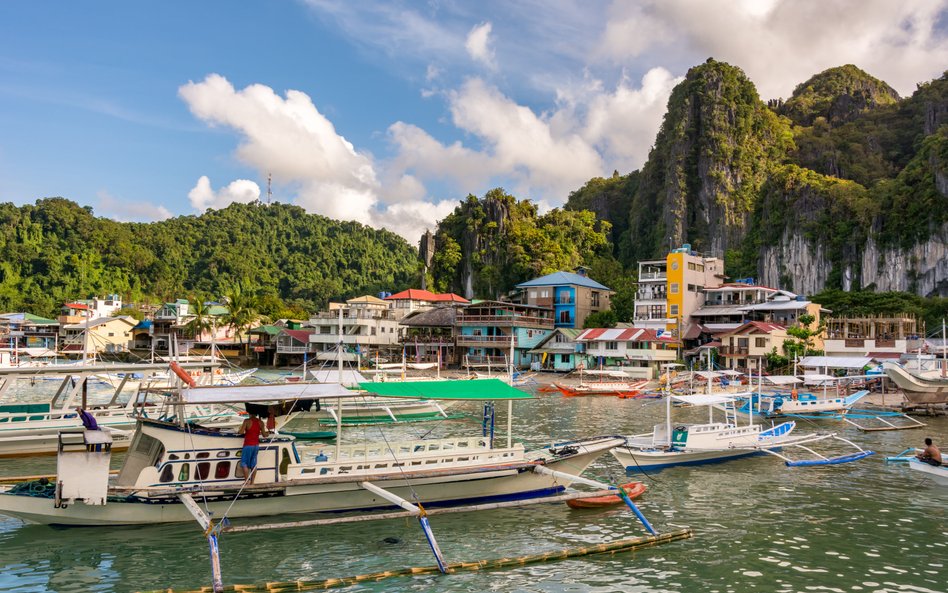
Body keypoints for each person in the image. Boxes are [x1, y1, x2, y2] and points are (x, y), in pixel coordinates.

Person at [236, 411, 269, 483]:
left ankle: (246, 481)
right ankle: (252, 482)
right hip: (256, 445)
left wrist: (239, 430)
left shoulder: (247, 421)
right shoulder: (261, 422)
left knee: (244, 463)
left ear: (249, 413)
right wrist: (268, 433)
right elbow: (264, 435)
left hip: (248, 445)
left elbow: (241, 432)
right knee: (254, 464)